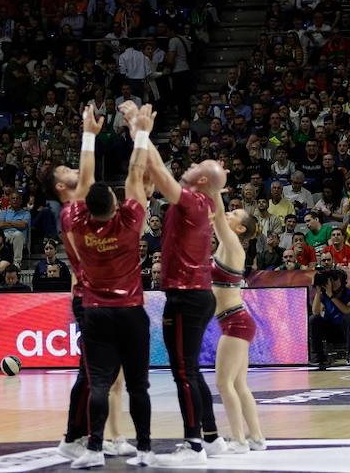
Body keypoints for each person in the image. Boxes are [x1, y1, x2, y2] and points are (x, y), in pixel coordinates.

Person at [59, 103, 154, 469]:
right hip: (130, 312)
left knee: (99, 384)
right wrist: (140, 130)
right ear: (116, 205)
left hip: (96, 312)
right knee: (137, 387)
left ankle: (95, 449)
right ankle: (144, 450)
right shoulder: (129, 223)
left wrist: (88, 135)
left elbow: (83, 182)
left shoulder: (78, 225)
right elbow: (135, 174)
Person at [139, 112, 228, 462]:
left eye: (198, 164)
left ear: (202, 178)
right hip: (195, 295)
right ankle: (211, 438)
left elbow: (160, 175)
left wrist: (143, 134)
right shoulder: (201, 201)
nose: (191, 165)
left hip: (186, 296)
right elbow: (162, 171)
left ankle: (193, 446)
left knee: (183, 373)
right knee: (189, 369)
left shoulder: (191, 200)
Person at [208, 200, 265, 452]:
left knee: (224, 384)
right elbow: (216, 219)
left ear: (241, 229)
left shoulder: (233, 244)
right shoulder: (225, 245)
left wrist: (214, 190)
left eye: (235, 214)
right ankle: (256, 437)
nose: (228, 214)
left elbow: (218, 219)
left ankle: (239, 440)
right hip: (237, 320)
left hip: (235, 322)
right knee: (239, 385)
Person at [309, 266, 350, 369]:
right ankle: (318, 357)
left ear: (342, 281)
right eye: (330, 279)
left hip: (347, 330)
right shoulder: (324, 295)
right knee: (313, 319)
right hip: (331, 330)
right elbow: (315, 311)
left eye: (335, 279)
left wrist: (331, 296)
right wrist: (318, 291)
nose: (332, 282)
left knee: (347, 318)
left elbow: (347, 310)